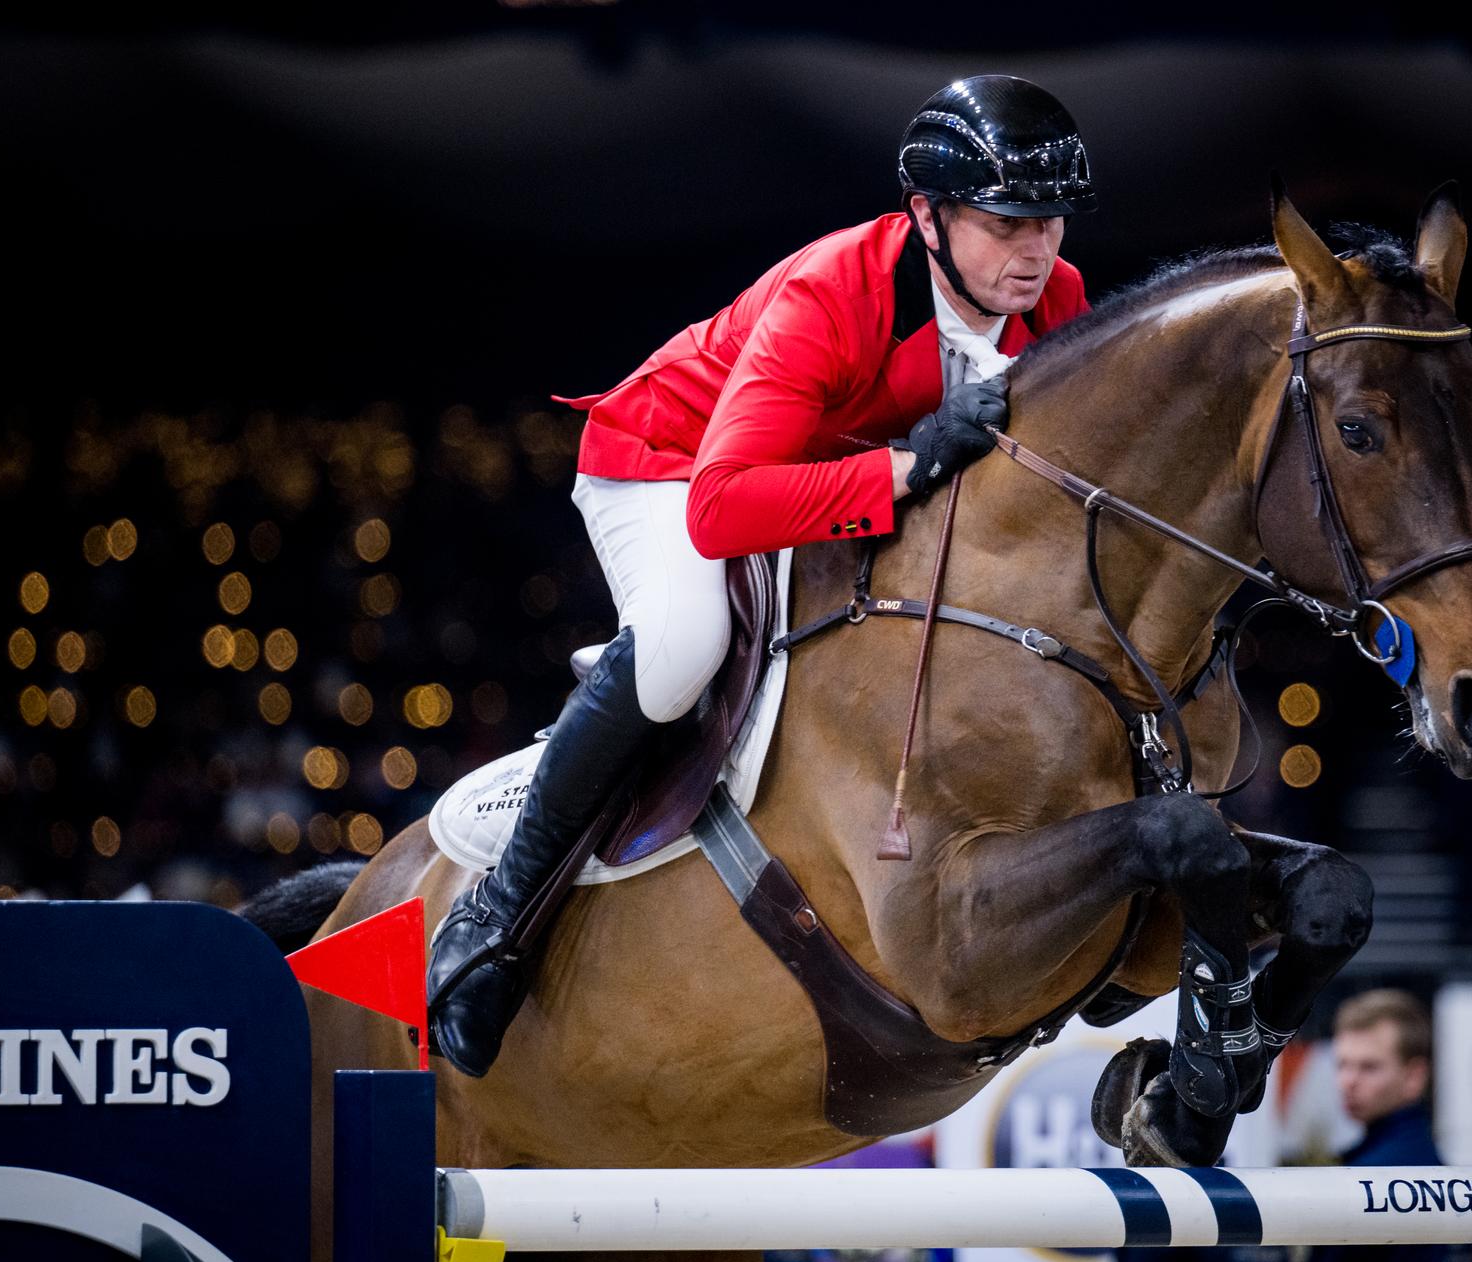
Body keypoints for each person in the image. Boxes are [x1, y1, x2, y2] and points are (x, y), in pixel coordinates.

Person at [426, 75, 1097, 1077]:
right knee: (685, 646)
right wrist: (909, 464)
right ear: (926, 216)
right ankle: (496, 914)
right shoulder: (835, 291)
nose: (1036, 249)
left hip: (823, 478)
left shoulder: (1058, 299)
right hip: (669, 466)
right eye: (1006, 223)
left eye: (1049, 220)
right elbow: (723, 506)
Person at [1300, 989, 1472, 1262]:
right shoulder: (1428, 1163)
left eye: (1369, 1067)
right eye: (1342, 1064)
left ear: (1414, 1076)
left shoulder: (1367, 1179)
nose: (1348, 1081)